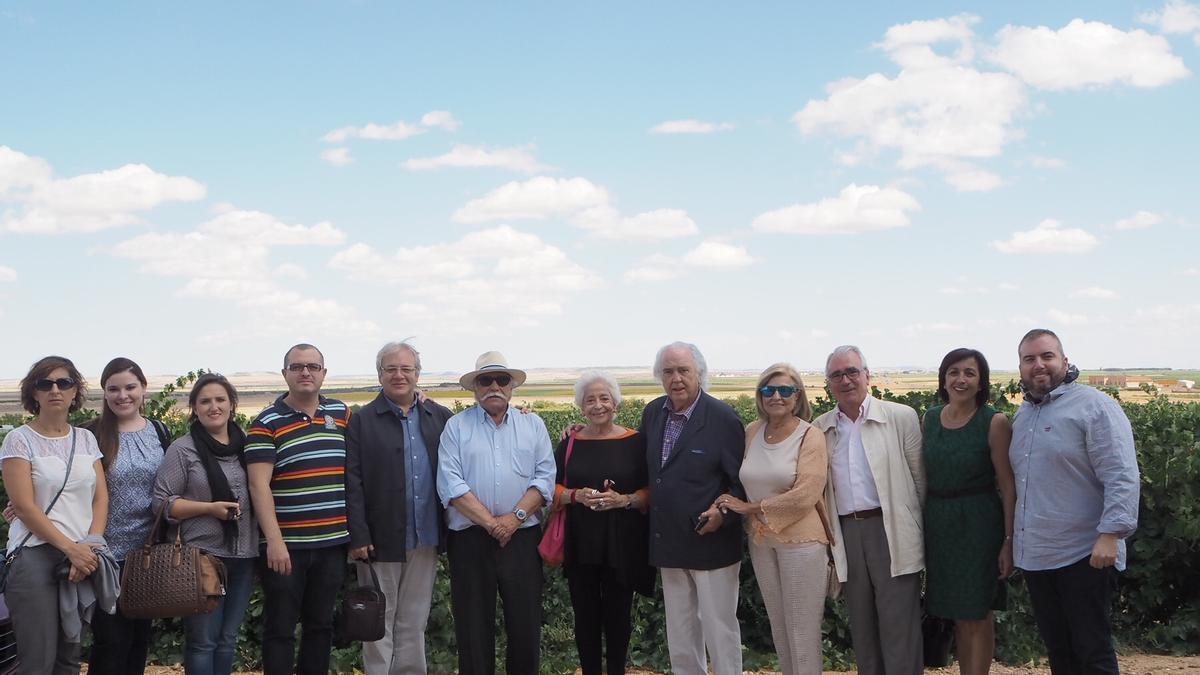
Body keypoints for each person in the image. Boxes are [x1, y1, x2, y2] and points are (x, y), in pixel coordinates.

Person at [1010, 329, 1139, 675]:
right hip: (1038, 555)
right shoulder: (1023, 417)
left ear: (1064, 361)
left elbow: (1121, 473)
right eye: (1029, 359)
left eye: (1047, 356)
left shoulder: (1095, 406)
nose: (1039, 365)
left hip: (1085, 553)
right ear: (1020, 368)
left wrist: (1112, 533)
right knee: (1060, 652)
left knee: (1092, 652)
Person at [436, 351, 555, 675]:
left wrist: (512, 520)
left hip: (522, 539)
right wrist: (491, 523)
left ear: (511, 386)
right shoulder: (456, 427)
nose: (494, 386)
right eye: (485, 380)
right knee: (472, 627)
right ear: (474, 388)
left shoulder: (533, 424)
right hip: (471, 540)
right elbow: (450, 482)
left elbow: (544, 478)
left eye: (501, 380)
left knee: (525, 624)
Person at [813, 345, 924, 675]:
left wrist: (916, 534)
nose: (845, 380)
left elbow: (919, 482)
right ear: (828, 383)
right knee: (862, 626)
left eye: (852, 372)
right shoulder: (819, 428)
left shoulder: (900, 417)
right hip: (846, 533)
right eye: (837, 375)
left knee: (899, 625)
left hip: (891, 529)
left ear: (867, 375)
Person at [712, 363, 829, 675]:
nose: (776, 396)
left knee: (802, 630)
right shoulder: (752, 432)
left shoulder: (811, 436)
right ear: (760, 395)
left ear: (798, 396)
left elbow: (806, 493)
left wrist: (749, 508)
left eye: (785, 390)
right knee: (779, 626)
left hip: (802, 542)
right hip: (763, 541)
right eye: (769, 389)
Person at [346, 340, 453, 675]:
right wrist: (359, 535)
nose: (399, 375)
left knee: (413, 621)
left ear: (417, 374)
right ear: (379, 374)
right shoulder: (362, 421)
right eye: (391, 368)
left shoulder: (440, 417)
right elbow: (353, 482)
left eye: (406, 369)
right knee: (378, 622)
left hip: (426, 535)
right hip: (379, 539)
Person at [641, 341, 745, 675]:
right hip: (669, 541)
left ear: (698, 372)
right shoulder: (653, 412)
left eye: (683, 370)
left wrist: (723, 514)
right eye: (668, 371)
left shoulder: (722, 418)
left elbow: (739, 482)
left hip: (710, 542)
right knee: (681, 632)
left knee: (719, 628)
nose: (676, 379)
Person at [246, 344, 351, 675]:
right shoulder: (266, 422)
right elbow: (258, 486)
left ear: (323, 373)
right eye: (297, 366)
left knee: (321, 627)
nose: (306, 372)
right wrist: (274, 541)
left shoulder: (341, 414)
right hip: (286, 548)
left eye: (313, 366)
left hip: (333, 544)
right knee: (280, 629)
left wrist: (419, 398)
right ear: (285, 374)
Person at [1, 356, 109, 674]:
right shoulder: (19, 440)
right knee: (38, 661)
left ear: (75, 391)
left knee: (69, 658)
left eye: (64, 382)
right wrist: (70, 549)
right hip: (35, 557)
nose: (55, 390)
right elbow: (24, 507)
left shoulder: (86, 439)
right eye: (44, 383)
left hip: (81, 557)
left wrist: (90, 544)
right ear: (33, 393)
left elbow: (100, 497)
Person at [152, 373, 257, 675]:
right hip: (200, 559)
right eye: (205, 401)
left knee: (228, 639)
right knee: (203, 642)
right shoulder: (183, 449)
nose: (214, 406)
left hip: (243, 555)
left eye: (220, 399)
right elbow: (161, 502)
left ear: (232, 405)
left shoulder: (247, 446)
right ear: (194, 409)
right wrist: (209, 509)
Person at [550, 370, 653, 675]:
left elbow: (651, 490)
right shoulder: (570, 443)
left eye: (604, 398)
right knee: (585, 616)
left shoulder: (636, 441)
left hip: (622, 542)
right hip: (581, 541)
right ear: (581, 407)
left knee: (619, 616)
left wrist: (625, 500)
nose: (597, 405)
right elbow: (549, 487)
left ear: (615, 404)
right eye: (590, 399)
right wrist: (574, 495)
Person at [922, 348, 1015, 675]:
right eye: (954, 372)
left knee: (977, 612)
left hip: (979, 526)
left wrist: (1008, 540)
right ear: (944, 378)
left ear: (981, 382)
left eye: (970, 373)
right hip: (940, 526)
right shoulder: (930, 418)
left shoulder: (995, 422)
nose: (961, 379)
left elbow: (1007, 486)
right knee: (957, 612)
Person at [81, 357, 171, 675]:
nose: (123, 395)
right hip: (103, 555)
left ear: (143, 389)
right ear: (104, 393)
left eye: (130, 387)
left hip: (147, 555)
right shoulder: (89, 435)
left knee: (138, 641)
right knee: (111, 642)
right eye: (114, 389)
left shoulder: (159, 432)